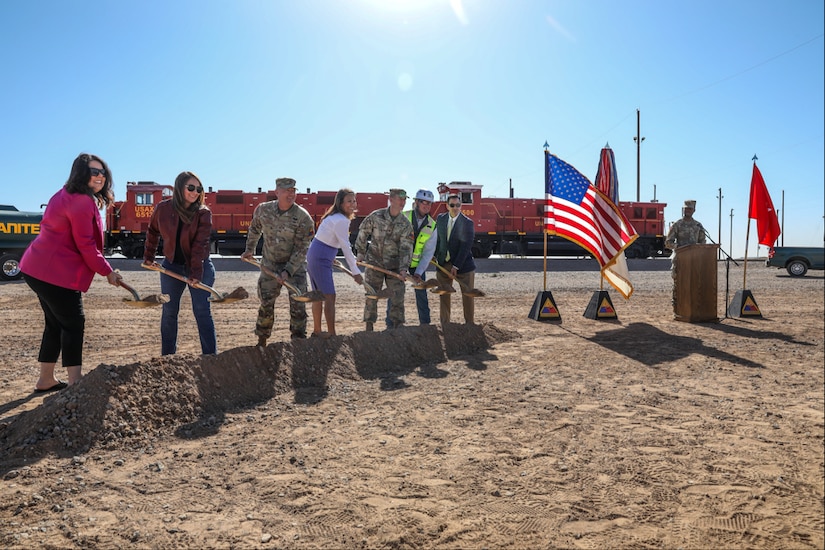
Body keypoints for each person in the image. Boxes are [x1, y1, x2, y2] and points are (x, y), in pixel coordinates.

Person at [20, 153, 123, 392]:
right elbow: (85, 244)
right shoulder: (80, 200)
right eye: (94, 171)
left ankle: (46, 379)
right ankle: (76, 382)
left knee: (55, 323)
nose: (100, 176)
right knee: (74, 323)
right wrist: (108, 272)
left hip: (37, 268)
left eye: (102, 172)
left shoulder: (65, 194)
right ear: (80, 172)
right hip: (54, 272)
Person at [143, 172, 217, 355]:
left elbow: (200, 246)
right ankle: (167, 359)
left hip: (199, 266)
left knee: (201, 310)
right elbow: (152, 231)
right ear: (179, 188)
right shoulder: (163, 209)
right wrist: (149, 258)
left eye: (198, 189)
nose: (195, 192)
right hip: (171, 266)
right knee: (169, 312)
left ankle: (211, 358)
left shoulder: (203, 213)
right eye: (190, 188)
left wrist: (196, 274)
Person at [241, 177, 314, 345]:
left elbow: (303, 248)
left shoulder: (303, 217)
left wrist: (288, 271)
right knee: (266, 303)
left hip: (295, 268)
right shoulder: (263, 210)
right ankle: (262, 340)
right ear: (277, 192)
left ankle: (298, 342)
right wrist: (249, 250)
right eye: (287, 190)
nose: (291, 194)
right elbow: (254, 229)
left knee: (298, 305)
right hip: (270, 265)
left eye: (293, 190)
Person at [354, 188, 414, 331]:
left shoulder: (405, 224)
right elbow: (363, 231)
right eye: (400, 199)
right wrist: (361, 253)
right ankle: (369, 326)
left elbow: (406, 248)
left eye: (405, 199)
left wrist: (404, 268)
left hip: (394, 265)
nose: (403, 202)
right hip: (374, 262)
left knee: (398, 295)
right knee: (371, 295)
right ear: (391, 200)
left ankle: (397, 326)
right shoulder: (376, 216)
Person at [306, 188, 363, 337]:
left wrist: (330, 255)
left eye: (354, 200)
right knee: (329, 296)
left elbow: (327, 239)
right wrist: (356, 272)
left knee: (318, 295)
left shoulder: (334, 217)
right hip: (320, 258)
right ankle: (331, 334)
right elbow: (346, 246)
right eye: (349, 201)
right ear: (341, 203)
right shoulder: (341, 221)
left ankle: (317, 331)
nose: (352, 204)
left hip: (316, 255)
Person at [385, 188, 437, 326]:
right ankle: (391, 326)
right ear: (417, 203)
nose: (426, 205)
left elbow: (428, 253)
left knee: (422, 295)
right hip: (398, 263)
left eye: (429, 203)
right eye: (423, 202)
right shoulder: (403, 217)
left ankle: (425, 326)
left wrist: (419, 272)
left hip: (416, 266)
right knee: (395, 294)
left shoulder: (432, 226)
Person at [433, 194, 476, 324]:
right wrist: (435, 255)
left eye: (458, 205)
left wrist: (456, 266)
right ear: (447, 206)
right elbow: (438, 240)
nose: (455, 208)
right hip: (443, 264)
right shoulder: (440, 219)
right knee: (444, 294)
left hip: (463, 266)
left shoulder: (467, 223)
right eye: (452, 205)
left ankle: (469, 324)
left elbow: (466, 246)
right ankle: (445, 324)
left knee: (468, 295)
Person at [665, 199, 707, 312]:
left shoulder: (698, 226)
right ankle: (677, 309)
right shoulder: (677, 225)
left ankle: (694, 309)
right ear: (683, 210)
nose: (687, 210)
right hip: (680, 259)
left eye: (690, 209)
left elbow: (703, 242)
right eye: (686, 208)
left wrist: (699, 250)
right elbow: (668, 243)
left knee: (695, 284)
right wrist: (679, 247)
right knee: (678, 285)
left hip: (694, 261)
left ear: (694, 210)